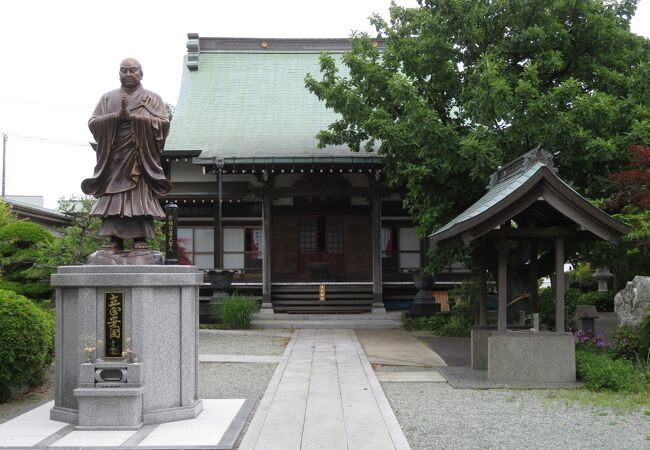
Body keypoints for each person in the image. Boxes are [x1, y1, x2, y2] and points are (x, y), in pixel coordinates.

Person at [82, 58, 171, 251]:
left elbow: (163, 123)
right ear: (119, 73)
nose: (128, 74)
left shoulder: (152, 98)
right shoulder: (107, 98)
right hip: (114, 157)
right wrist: (116, 118)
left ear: (141, 73)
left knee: (139, 197)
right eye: (124, 71)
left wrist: (135, 119)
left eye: (133, 70)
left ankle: (141, 237)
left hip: (139, 156)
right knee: (113, 198)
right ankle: (114, 239)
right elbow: (93, 123)